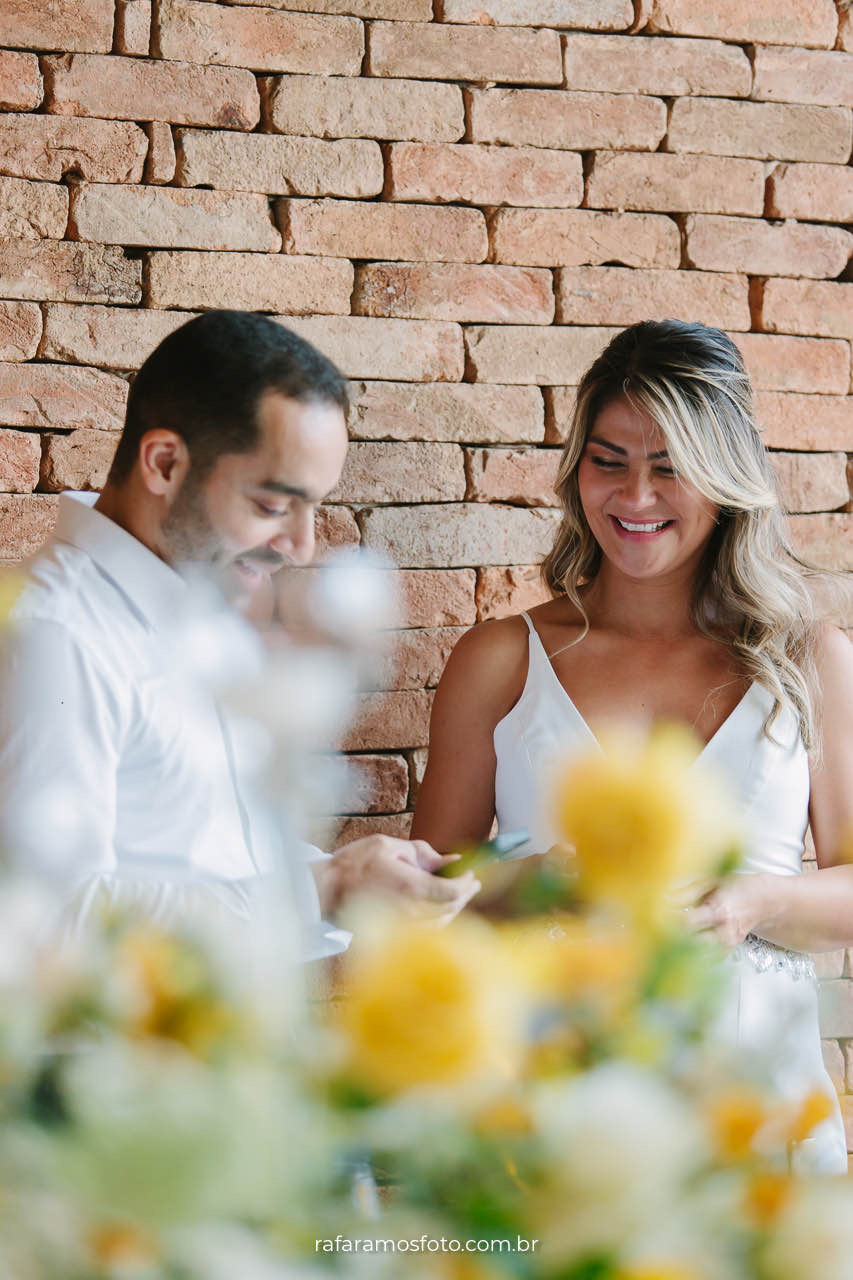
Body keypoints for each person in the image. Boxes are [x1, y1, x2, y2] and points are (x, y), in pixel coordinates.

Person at [412, 320, 853, 1172]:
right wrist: (539, 883)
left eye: (669, 467)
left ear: (725, 479)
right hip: (548, 1113)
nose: (634, 498)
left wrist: (751, 902)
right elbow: (425, 893)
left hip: (758, 1126)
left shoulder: (808, 659)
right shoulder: (501, 659)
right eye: (608, 461)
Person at [0, 310, 478, 958]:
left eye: (315, 506)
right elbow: (41, 918)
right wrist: (322, 885)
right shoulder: (53, 636)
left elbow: (218, 855)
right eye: (273, 506)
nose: (303, 547)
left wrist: (368, 875)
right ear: (165, 464)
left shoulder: (209, 614)